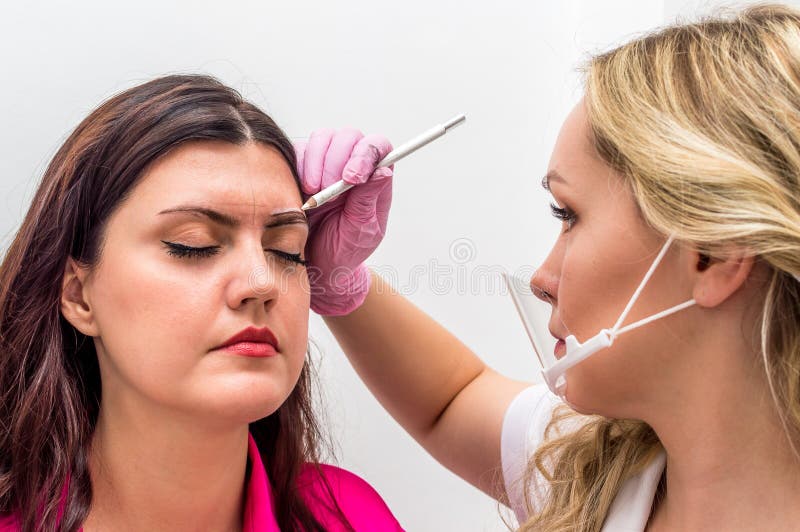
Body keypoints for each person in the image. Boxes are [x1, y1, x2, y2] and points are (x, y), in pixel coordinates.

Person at [296, 4, 800, 531]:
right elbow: (449, 402)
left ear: (713, 252)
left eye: (569, 214)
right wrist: (338, 278)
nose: (541, 278)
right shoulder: (595, 473)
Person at [0, 74, 403, 531]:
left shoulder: (348, 514)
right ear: (78, 295)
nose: (261, 282)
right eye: (193, 245)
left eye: (288, 250)